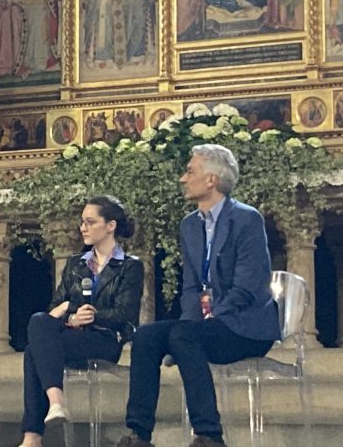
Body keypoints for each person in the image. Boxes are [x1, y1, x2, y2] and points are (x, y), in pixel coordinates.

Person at [117, 144, 280, 447]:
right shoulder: (189, 225)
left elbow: (248, 287)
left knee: (183, 336)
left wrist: (210, 319)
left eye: (190, 171)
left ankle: (209, 435)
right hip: (208, 325)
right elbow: (191, 286)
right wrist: (196, 320)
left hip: (246, 325)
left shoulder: (247, 219)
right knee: (147, 336)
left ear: (211, 180)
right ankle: (139, 434)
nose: (183, 178)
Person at [19, 195, 144, 447]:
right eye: (82, 222)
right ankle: (52, 407)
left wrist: (89, 314)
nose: (83, 228)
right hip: (73, 335)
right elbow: (54, 309)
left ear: (110, 226)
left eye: (90, 222)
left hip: (105, 339)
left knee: (34, 350)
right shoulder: (76, 264)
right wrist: (72, 315)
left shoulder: (130, 266)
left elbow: (125, 315)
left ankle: (34, 434)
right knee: (38, 322)